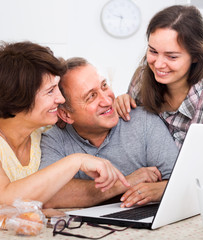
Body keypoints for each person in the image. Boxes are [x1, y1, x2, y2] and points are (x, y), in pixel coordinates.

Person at [0, 42, 129, 219]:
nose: (60, 99)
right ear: (18, 100)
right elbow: (2, 201)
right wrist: (76, 161)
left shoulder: (41, 131)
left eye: (58, 88)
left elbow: (86, 111)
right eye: (50, 91)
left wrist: (120, 102)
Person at [39, 57, 178, 209]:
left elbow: (180, 182)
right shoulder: (53, 139)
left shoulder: (143, 121)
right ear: (66, 115)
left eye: (104, 86)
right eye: (91, 96)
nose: (107, 100)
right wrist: (124, 183)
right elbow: (47, 195)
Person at [114, 5, 203, 179]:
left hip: (201, 198)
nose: (159, 64)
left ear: (196, 57)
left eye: (172, 56)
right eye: (153, 51)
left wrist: (161, 190)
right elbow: (131, 141)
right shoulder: (141, 79)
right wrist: (121, 106)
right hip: (148, 194)